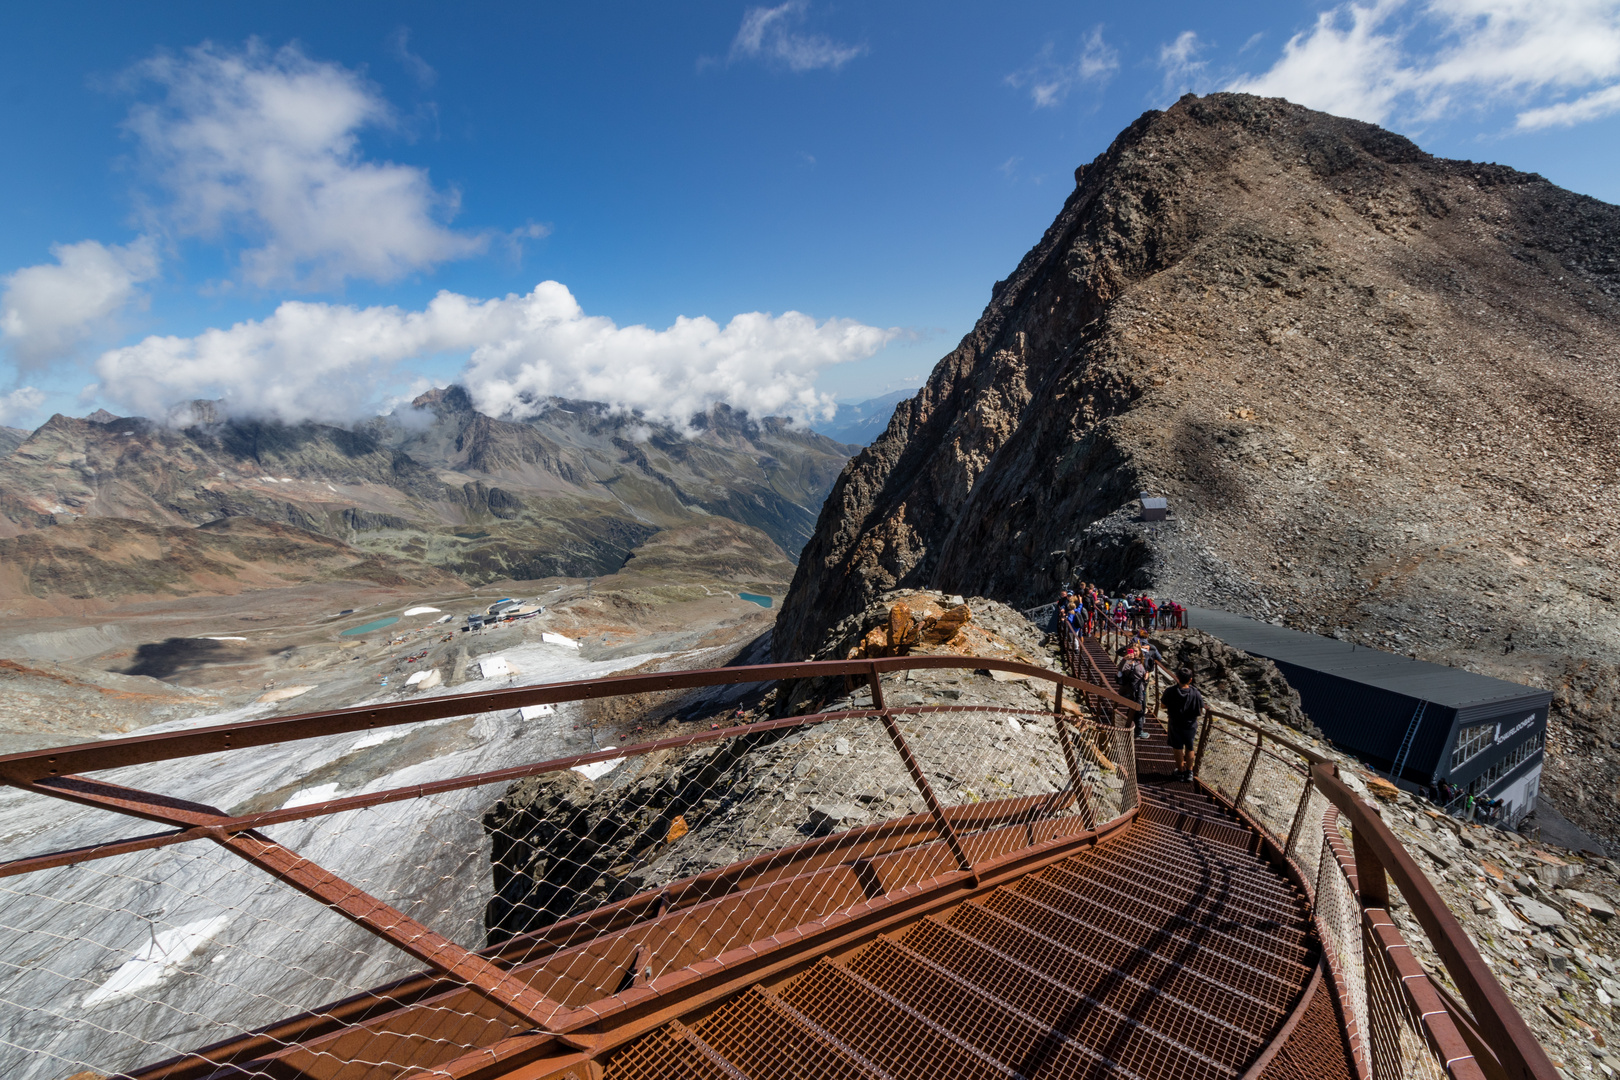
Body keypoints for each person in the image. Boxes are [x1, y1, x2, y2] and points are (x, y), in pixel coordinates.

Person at [1162, 665, 1205, 781]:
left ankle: (1180, 771)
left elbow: (1162, 705)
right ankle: (1190, 772)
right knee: (1190, 747)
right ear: (1191, 679)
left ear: (1177, 678)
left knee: (1177, 747)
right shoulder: (1195, 693)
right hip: (1190, 724)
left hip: (1175, 722)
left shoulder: (1170, 691)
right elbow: (1200, 710)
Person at [1117, 647, 1149, 739]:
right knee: (1138, 709)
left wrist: (1146, 673)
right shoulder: (1129, 662)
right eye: (1133, 651)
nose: (1134, 653)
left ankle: (1130, 727)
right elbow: (1120, 670)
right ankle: (1138, 731)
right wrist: (1124, 659)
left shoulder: (1140, 661)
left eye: (1136, 651)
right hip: (1133, 690)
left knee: (1136, 709)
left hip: (1140, 688)